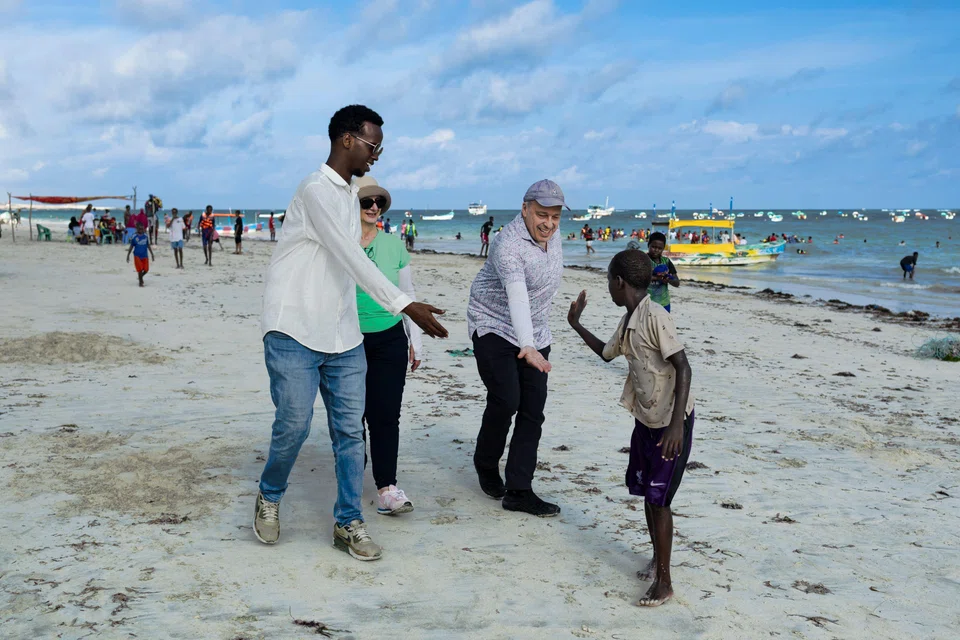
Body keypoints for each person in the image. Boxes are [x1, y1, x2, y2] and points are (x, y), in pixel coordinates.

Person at [255, 104, 448, 561]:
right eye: (372, 144)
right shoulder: (316, 191)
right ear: (347, 140)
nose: (376, 154)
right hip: (294, 328)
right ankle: (269, 493)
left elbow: (359, 261)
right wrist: (404, 305)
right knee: (294, 425)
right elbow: (349, 255)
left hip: (343, 335)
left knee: (348, 433)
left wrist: (401, 307)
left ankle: (348, 522)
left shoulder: (349, 195)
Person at [566, 249, 694, 608]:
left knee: (660, 499)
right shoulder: (628, 321)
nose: (608, 287)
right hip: (646, 420)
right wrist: (576, 325)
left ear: (619, 283)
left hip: (671, 423)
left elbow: (683, 367)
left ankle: (665, 582)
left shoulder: (655, 317)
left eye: (609, 280)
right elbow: (607, 354)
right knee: (646, 495)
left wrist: (675, 426)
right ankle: (657, 559)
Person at [466, 179, 567, 517]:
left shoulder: (554, 239)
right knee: (507, 398)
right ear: (524, 210)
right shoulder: (507, 245)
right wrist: (527, 345)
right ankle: (485, 462)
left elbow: (541, 291)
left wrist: (536, 340)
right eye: (541, 215)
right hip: (494, 323)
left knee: (533, 408)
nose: (548, 224)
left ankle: (519, 491)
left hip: (536, 334)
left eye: (555, 217)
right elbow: (517, 296)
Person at [355, 176, 424, 516]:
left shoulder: (394, 245)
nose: (372, 207)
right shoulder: (339, 243)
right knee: (353, 417)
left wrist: (417, 342)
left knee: (385, 415)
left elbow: (408, 297)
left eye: (378, 203)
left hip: (390, 337)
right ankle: (351, 479)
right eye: (366, 201)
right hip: (347, 339)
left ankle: (386, 488)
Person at [646, 232, 680, 312]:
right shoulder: (644, 260)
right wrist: (657, 278)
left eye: (659, 248)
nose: (656, 250)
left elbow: (677, 283)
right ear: (648, 245)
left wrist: (668, 279)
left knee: (663, 324)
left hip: (664, 303)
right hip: (647, 302)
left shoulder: (666, 261)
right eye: (653, 247)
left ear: (663, 248)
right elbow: (639, 278)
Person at [126, 222, 155, 287]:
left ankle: (140, 277)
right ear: (137, 229)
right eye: (139, 229)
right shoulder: (134, 236)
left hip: (145, 255)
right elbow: (131, 246)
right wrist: (128, 255)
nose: (141, 230)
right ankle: (140, 282)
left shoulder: (145, 236)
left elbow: (148, 245)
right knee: (139, 269)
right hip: (137, 255)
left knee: (146, 270)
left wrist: (152, 254)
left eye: (142, 229)